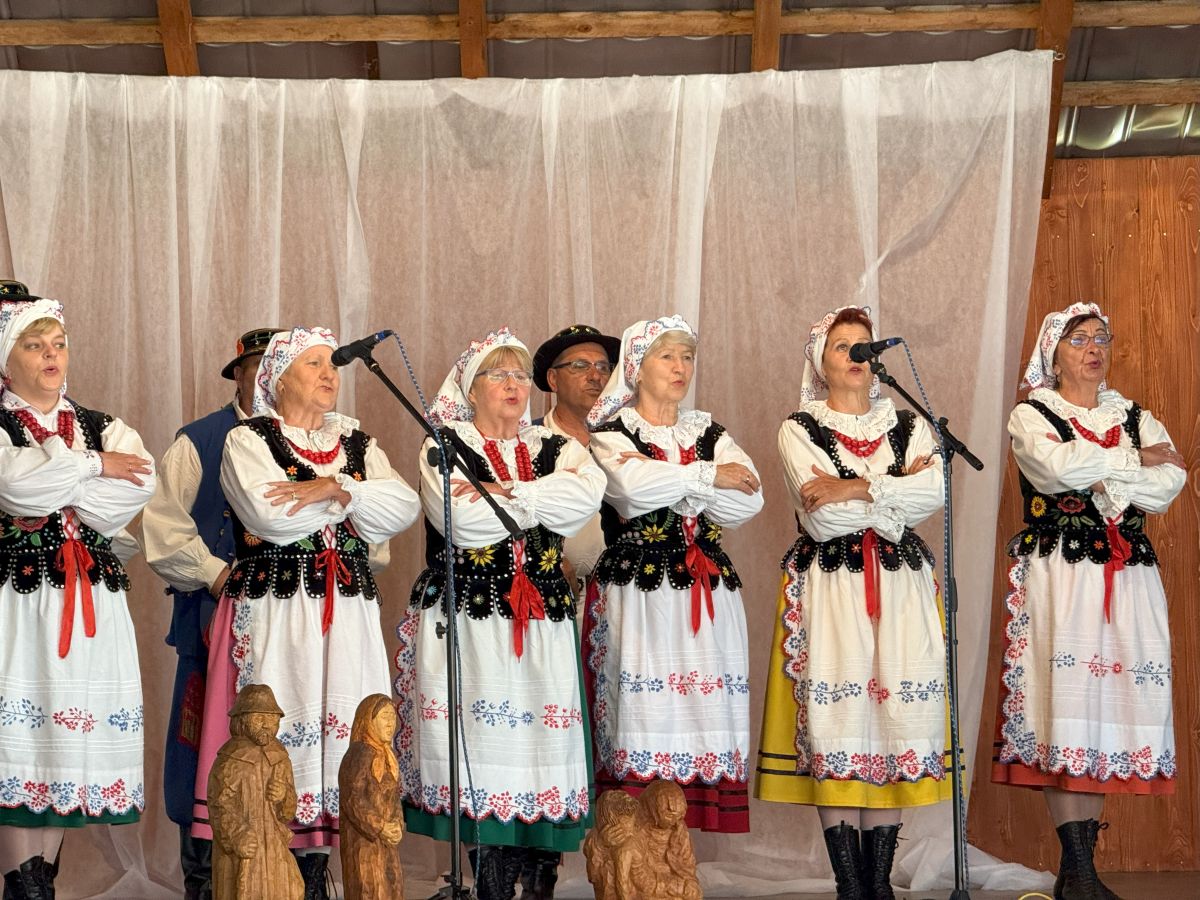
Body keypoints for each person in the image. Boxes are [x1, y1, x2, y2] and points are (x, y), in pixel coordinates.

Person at [190, 326, 420, 899]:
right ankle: (281, 873)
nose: (327, 373)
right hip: (279, 608)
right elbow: (269, 517)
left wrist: (335, 488)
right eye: (312, 363)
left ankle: (318, 875)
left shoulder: (356, 442)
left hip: (348, 613)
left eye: (331, 364)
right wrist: (354, 503)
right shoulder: (249, 440)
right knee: (282, 724)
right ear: (278, 378)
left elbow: (403, 507)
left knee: (347, 732)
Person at [395, 327, 605, 900]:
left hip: (541, 618)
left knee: (537, 747)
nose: (514, 385)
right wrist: (540, 499)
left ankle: (527, 880)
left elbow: (584, 500)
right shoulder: (444, 445)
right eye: (498, 375)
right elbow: (461, 522)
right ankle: (490, 881)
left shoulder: (557, 446)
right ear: (471, 389)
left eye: (519, 375)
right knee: (479, 745)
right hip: (469, 616)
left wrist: (505, 493)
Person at [991, 302, 1186, 900]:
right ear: (1054, 355)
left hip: (1127, 576)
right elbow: (1052, 467)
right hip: (1062, 573)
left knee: (1104, 712)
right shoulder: (1033, 413)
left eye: (1101, 337)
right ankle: (1076, 868)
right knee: (1066, 704)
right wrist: (1131, 461)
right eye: (1079, 339)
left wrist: (1103, 472)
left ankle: (1081, 871)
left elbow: (1169, 482)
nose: (1094, 347)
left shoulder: (1133, 414)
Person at [753, 305, 947, 899]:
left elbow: (934, 492)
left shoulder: (909, 425)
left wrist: (855, 486)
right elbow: (824, 519)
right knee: (840, 722)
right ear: (821, 362)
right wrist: (893, 494)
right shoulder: (799, 428)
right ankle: (849, 884)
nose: (858, 356)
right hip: (833, 586)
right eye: (843, 346)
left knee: (894, 722)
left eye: (865, 345)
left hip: (902, 586)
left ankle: (878, 882)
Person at [0, 281, 155, 898]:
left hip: (89, 601)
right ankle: (22, 884)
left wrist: (57, 478)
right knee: (26, 740)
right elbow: (16, 488)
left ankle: (41, 881)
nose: (50, 354)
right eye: (33, 344)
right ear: (7, 358)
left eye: (58, 343)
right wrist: (91, 466)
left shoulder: (102, 424)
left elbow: (133, 488)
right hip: (19, 600)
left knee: (67, 745)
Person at [584, 314, 763, 834]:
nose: (681, 367)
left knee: (699, 712)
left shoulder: (708, 431)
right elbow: (630, 490)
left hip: (705, 591)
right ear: (637, 368)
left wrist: (678, 482)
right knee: (644, 710)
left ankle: (673, 854)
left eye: (687, 356)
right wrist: (707, 478)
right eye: (667, 356)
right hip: (639, 593)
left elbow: (750, 498)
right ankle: (634, 847)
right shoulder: (611, 434)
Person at [142, 326, 282, 900]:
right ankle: (201, 880)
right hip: (211, 617)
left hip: (293, 622)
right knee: (201, 743)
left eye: (278, 368)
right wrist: (219, 575)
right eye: (258, 367)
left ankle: (282, 873)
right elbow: (164, 528)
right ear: (239, 375)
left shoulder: (320, 441)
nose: (267, 379)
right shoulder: (199, 440)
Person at [520, 323, 619, 900]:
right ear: (552, 380)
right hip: (554, 604)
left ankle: (622, 864)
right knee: (548, 729)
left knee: (613, 730)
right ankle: (540, 868)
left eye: (603, 366)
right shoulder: (530, 444)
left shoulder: (626, 438)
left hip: (622, 603)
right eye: (581, 366)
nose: (596, 376)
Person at [208, 684, 304, 900]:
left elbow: (287, 813)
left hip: (273, 844)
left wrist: (284, 797)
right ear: (242, 719)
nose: (267, 725)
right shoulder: (231, 758)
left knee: (290, 889)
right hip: (245, 845)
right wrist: (237, 835)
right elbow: (219, 805)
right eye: (259, 718)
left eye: (272, 719)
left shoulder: (279, 757)